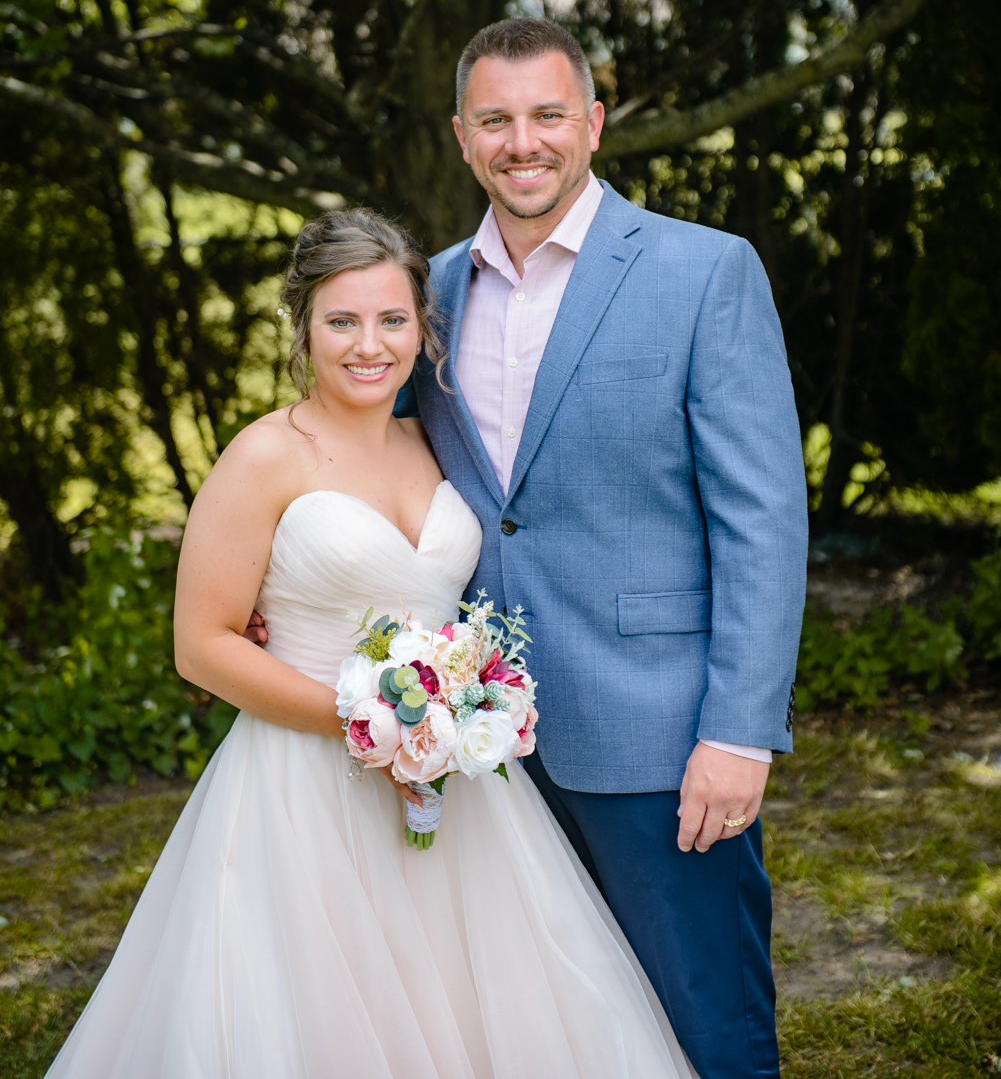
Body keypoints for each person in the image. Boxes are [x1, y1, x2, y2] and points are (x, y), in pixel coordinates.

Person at [45, 208, 696, 1079]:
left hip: (454, 780)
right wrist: (372, 726)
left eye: (392, 319)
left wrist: (452, 716)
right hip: (304, 783)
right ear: (302, 327)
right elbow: (200, 645)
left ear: (421, 328)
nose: (368, 345)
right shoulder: (263, 456)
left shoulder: (438, 441)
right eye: (341, 321)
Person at [392, 17, 808, 1079]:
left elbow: (762, 517)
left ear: (592, 122)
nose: (521, 141)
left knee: (706, 1022)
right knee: (542, 1032)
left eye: (546, 114)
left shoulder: (702, 271)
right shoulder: (425, 296)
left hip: (656, 731)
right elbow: (373, 468)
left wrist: (739, 730)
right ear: (461, 136)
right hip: (483, 742)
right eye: (494, 119)